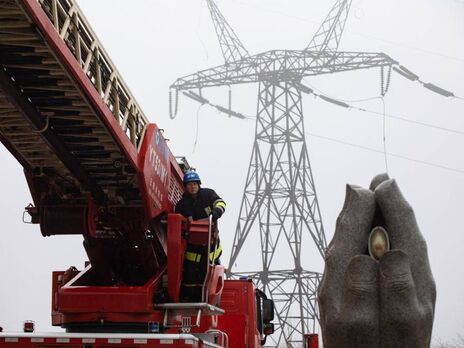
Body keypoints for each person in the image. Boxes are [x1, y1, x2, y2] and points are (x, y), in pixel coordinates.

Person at [174, 170, 226, 302]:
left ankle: (208, 297)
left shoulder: (208, 194)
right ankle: (190, 298)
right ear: (185, 186)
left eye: (195, 184)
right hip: (193, 246)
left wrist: (217, 212)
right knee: (190, 276)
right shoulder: (182, 205)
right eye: (190, 184)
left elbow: (220, 202)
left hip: (211, 246)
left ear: (199, 184)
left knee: (210, 273)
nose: (193, 187)